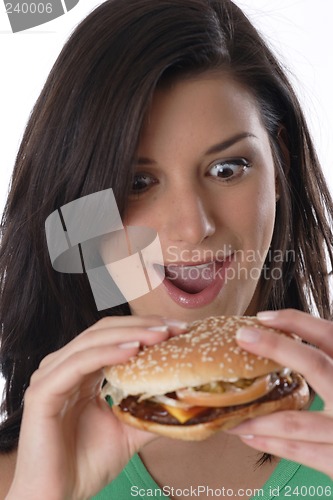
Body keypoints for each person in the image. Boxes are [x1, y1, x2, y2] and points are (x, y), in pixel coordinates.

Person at [0, 0, 332, 498]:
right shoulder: (18, 477)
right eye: (138, 180)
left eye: (227, 170)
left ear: (279, 163)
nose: (193, 227)